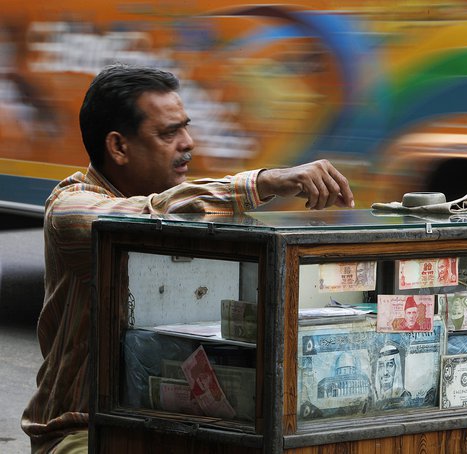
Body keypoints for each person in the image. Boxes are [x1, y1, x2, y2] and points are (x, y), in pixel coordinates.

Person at [21, 63, 354, 454]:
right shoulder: (71, 209)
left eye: (185, 126)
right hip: (83, 429)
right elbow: (148, 215)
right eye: (168, 133)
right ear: (118, 147)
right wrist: (263, 181)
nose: (188, 143)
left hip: (172, 424)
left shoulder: (187, 203)